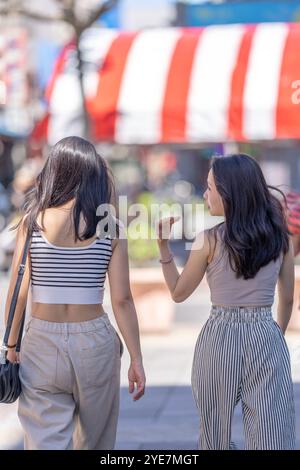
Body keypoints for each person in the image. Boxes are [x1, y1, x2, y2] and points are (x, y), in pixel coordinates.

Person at [4, 136, 146, 450]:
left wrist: (11, 345)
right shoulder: (109, 225)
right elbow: (122, 299)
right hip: (95, 340)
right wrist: (136, 358)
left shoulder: (34, 222)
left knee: (43, 440)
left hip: (41, 339)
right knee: (95, 442)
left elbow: (18, 289)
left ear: (55, 172)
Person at [157, 153, 295, 450]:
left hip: (219, 335)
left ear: (229, 192)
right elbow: (287, 298)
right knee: (271, 435)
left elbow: (178, 293)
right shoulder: (280, 238)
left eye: (209, 187)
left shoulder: (209, 240)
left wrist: (163, 247)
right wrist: (275, 335)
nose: (205, 194)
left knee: (214, 433)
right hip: (265, 332)